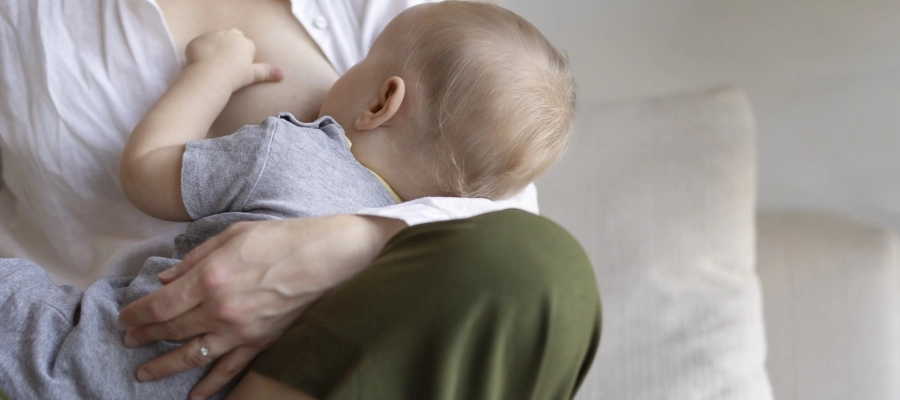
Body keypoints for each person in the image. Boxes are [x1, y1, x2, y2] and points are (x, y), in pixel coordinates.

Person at [0, 2, 599, 399]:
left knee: (537, 266)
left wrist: (213, 72)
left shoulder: (285, 148)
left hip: (94, 354)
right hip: (231, 379)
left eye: (362, 65)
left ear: (382, 102)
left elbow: (147, 172)